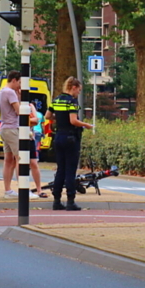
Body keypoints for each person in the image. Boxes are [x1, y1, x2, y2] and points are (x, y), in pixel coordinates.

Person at [45, 77, 93, 211]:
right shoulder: (72, 102)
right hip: (71, 138)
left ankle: (56, 201)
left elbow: (48, 116)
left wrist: (60, 118)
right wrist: (86, 125)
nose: (79, 93)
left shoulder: (56, 100)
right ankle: (70, 201)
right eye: (79, 90)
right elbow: (73, 121)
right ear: (73, 87)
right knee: (70, 170)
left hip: (58, 136)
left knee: (60, 169)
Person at [0, 71, 21, 198]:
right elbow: (19, 111)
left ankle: (8, 190)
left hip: (4, 127)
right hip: (12, 128)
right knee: (20, 158)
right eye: (19, 82)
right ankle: (23, 188)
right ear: (14, 80)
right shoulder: (10, 92)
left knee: (8, 160)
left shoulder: (2, 91)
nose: (20, 85)